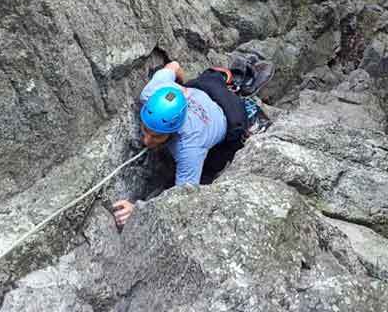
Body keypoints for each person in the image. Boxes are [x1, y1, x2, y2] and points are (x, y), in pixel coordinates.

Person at [112, 57, 273, 227]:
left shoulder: (190, 147)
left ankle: (248, 110)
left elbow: (183, 201)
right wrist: (181, 82)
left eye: (157, 136)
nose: (146, 141)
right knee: (204, 80)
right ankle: (230, 83)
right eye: (145, 130)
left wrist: (137, 212)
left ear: (174, 130)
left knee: (208, 174)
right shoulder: (152, 92)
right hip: (204, 88)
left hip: (229, 115)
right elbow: (174, 66)